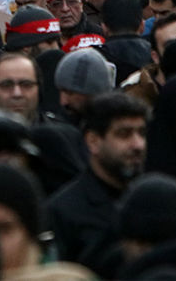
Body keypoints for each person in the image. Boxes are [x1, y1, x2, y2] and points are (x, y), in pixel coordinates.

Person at [44, 92, 148, 275]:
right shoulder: (62, 212)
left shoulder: (151, 202)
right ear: (93, 141)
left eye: (141, 133)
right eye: (124, 134)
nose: (138, 144)